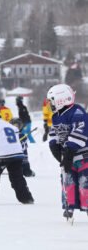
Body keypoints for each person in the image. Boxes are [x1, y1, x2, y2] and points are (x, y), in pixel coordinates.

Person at [47, 84, 88, 220]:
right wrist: (55, 149)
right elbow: (54, 134)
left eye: (51, 100)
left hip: (83, 156)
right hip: (68, 157)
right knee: (67, 182)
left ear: (61, 99)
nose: (50, 104)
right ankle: (69, 206)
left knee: (84, 182)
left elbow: (79, 133)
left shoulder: (78, 112)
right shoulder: (56, 116)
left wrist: (69, 152)